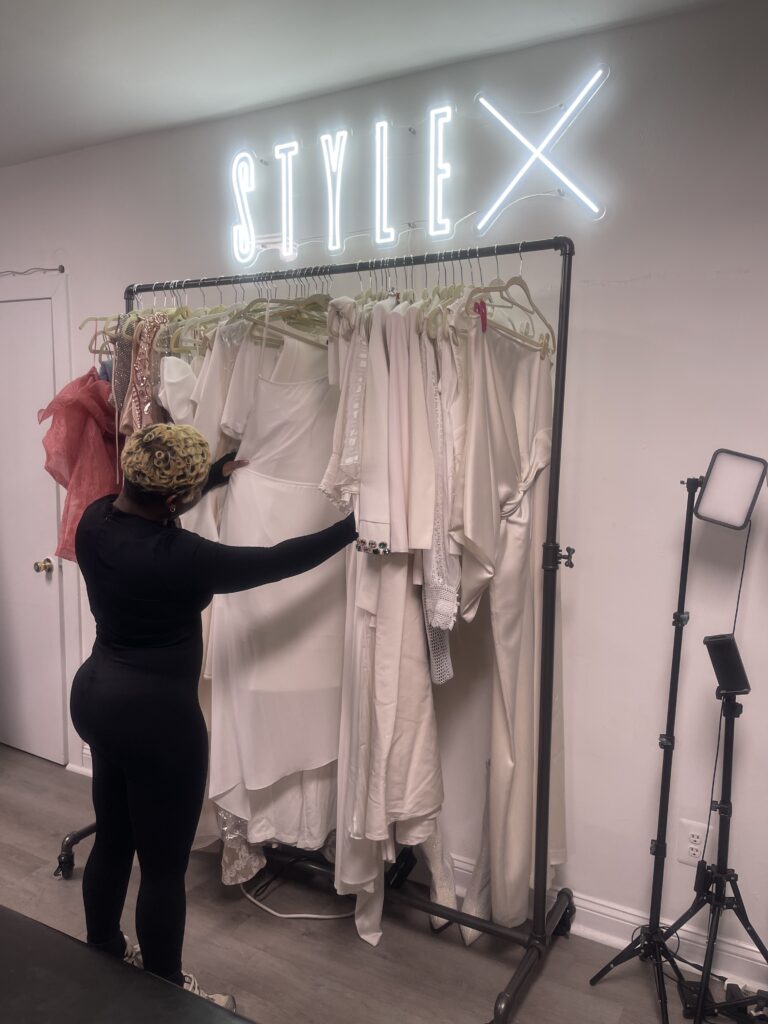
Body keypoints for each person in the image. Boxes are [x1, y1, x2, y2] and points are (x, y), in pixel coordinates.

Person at [70, 422, 356, 1009]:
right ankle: (166, 992)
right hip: (158, 721)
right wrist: (351, 528)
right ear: (174, 502)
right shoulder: (183, 557)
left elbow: (155, 508)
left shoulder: (95, 520)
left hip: (97, 698)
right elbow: (276, 561)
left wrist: (211, 480)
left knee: (113, 837)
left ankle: (100, 956)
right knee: (163, 867)